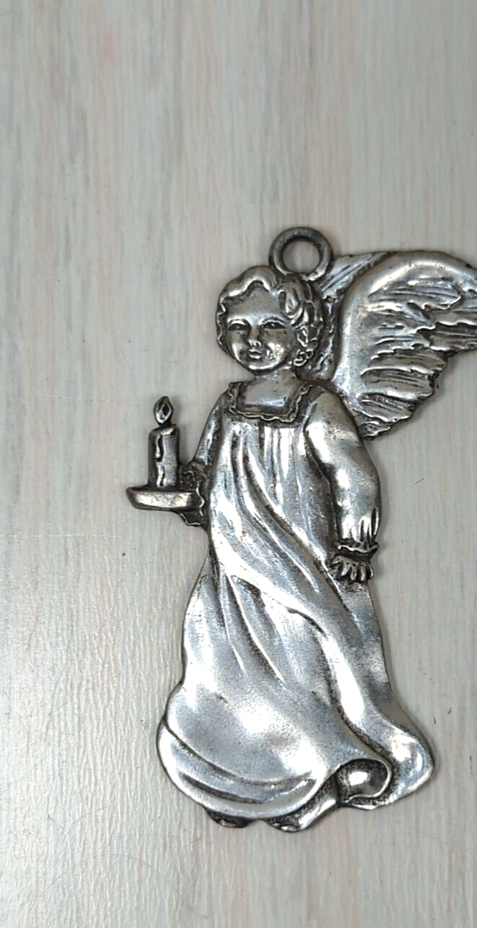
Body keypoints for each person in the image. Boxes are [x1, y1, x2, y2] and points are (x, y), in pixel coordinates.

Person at [157, 265, 433, 830]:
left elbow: (352, 472)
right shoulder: (229, 403)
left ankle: (323, 774)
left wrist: (356, 541)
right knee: (220, 668)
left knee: (301, 667)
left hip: (296, 566)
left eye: (272, 328)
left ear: (302, 335)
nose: (254, 341)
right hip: (232, 570)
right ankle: (237, 780)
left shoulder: (316, 404)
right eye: (240, 328)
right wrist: (180, 486)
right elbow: (207, 474)